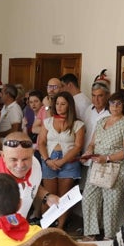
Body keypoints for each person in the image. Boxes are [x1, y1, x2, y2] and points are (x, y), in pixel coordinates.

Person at [0, 132, 59, 234]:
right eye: (13, 159)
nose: (20, 165)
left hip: (18, 229)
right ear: (2, 155)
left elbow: (34, 185)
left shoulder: (35, 164)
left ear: (32, 154)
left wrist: (46, 196)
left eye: (25, 159)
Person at [81, 92, 124, 240]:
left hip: (114, 167)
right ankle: (90, 233)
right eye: (112, 103)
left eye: (118, 104)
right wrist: (89, 151)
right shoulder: (101, 121)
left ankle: (109, 237)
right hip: (97, 164)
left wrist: (108, 158)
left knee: (110, 204)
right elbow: (92, 142)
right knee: (89, 198)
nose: (115, 107)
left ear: (123, 106)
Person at [38, 91, 85, 230]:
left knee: (64, 198)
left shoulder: (78, 124)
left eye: (63, 104)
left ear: (69, 106)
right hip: (49, 160)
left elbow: (78, 146)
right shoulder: (47, 122)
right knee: (48, 196)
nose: (59, 106)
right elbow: (41, 142)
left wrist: (63, 161)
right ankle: (45, 226)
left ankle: (60, 227)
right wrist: (47, 160)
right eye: (57, 103)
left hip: (69, 162)